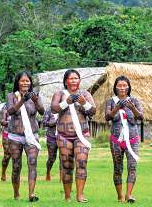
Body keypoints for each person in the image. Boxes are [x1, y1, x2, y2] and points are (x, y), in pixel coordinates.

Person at [51, 69, 96, 203]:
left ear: (79, 80)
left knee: (81, 162)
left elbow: (93, 110)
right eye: (71, 78)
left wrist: (84, 103)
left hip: (81, 135)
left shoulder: (85, 94)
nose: (74, 80)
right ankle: (67, 196)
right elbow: (53, 108)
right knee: (67, 165)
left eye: (76, 78)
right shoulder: (60, 94)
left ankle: (80, 195)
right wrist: (67, 101)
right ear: (66, 81)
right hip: (64, 135)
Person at [6, 71, 44, 201]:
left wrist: (35, 100)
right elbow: (11, 111)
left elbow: (42, 111)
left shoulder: (35, 95)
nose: (25, 83)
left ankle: (31, 194)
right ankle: (16, 193)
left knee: (32, 162)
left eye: (27, 81)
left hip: (32, 136)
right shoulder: (11, 96)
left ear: (30, 83)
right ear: (17, 82)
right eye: (22, 81)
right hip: (15, 137)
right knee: (16, 166)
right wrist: (22, 99)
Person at [105, 76, 143, 203]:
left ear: (128, 87)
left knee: (132, 166)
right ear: (115, 87)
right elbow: (107, 117)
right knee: (118, 168)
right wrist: (116, 108)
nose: (122, 88)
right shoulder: (111, 101)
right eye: (119, 85)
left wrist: (132, 108)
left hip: (133, 140)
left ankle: (129, 194)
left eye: (124, 85)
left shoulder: (135, 101)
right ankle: (120, 196)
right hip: (116, 140)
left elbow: (140, 117)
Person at [42, 108, 60, 181]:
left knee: (63, 158)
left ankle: (62, 177)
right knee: (52, 158)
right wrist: (54, 123)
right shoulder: (49, 110)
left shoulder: (65, 110)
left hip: (63, 137)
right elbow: (44, 123)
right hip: (51, 137)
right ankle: (48, 172)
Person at [0, 103, 11, 181]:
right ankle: (3, 172)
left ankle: (16, 174)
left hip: (18, 134)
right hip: (7, 134)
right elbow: (2, 121)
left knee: (17, 156)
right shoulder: (6, 107)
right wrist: (11, 123)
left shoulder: (22, 105)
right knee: (7, 155)